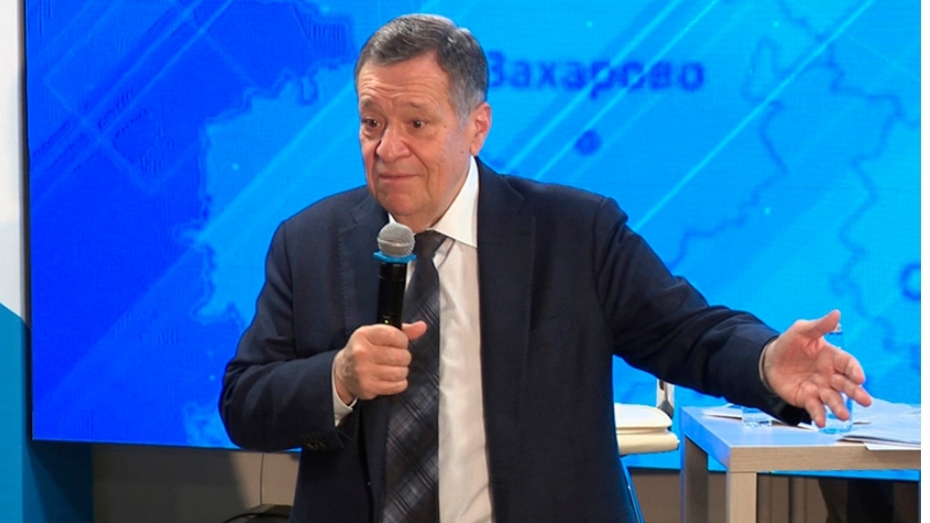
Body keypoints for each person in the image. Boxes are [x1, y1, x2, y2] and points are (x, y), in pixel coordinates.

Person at [219, 14, 871, 523]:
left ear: (476, 127)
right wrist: (337, 377)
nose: (388, 149)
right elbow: (244, 403)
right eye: (371, 123)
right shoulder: (308, 242)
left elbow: (686, 332)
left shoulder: (574, 234)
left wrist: (766, 361)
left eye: (416, 123)